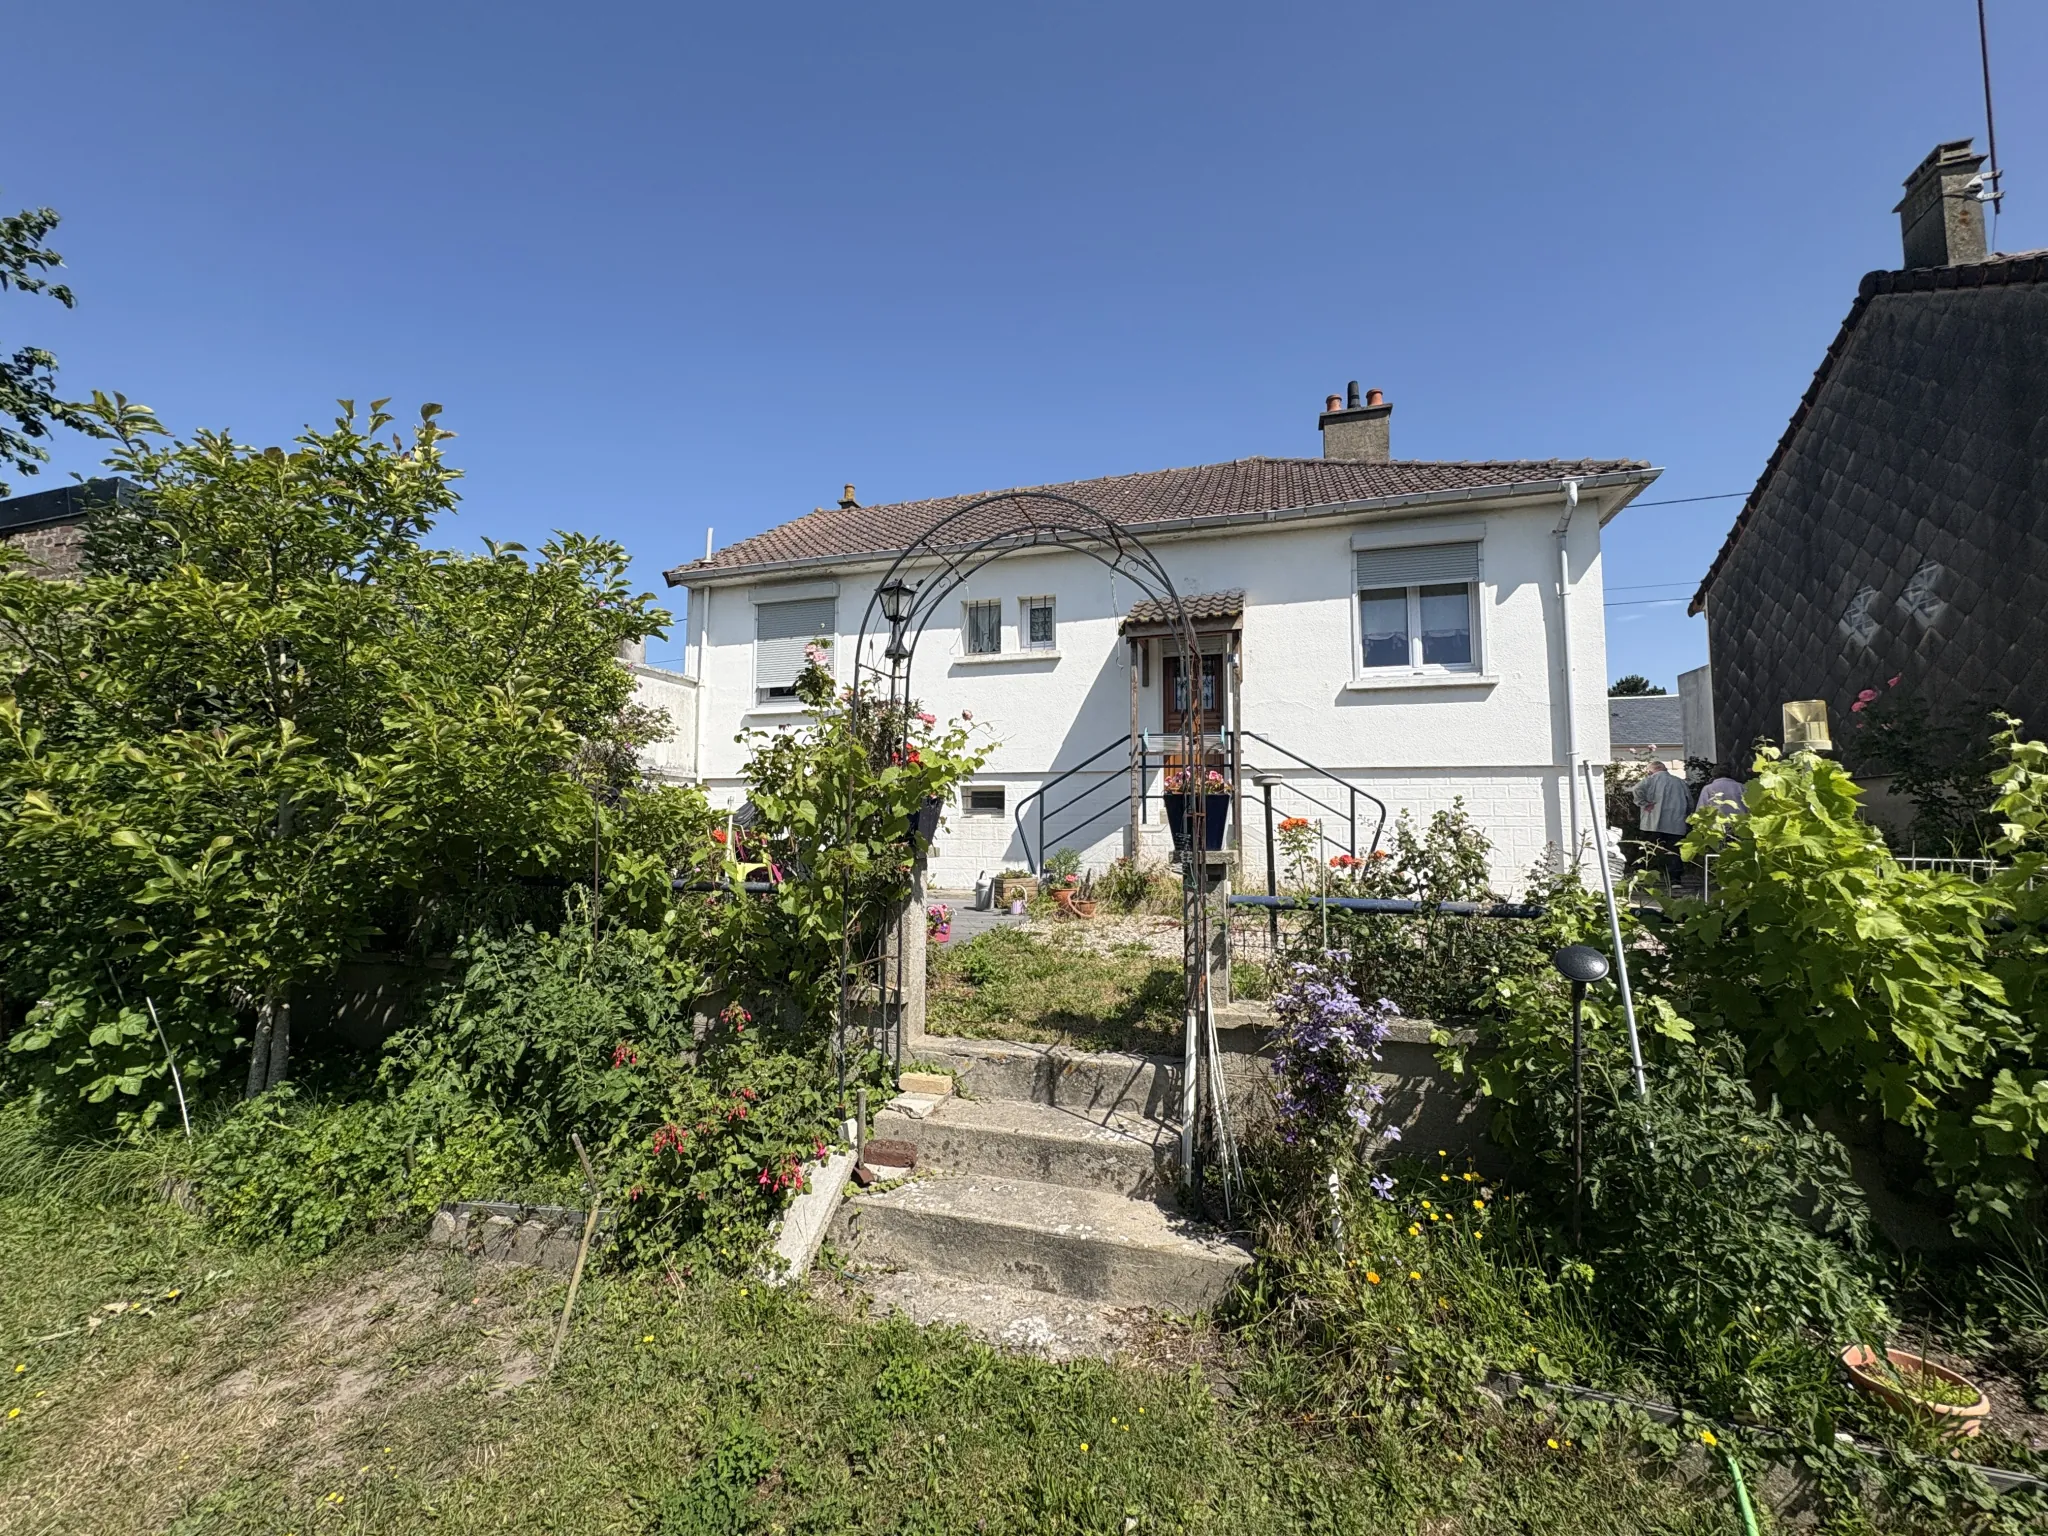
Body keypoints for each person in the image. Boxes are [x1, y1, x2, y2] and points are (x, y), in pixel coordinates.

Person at [1632, 759, 1693, 883]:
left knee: (1646, 849)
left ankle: (1640, 876)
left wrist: (1644, 803)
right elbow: (1689, 802)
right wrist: (1687, 816)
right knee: (1673, 851)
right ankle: (1675, 880)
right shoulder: (1680, 782)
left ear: (1651, 771)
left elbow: (1636, 789)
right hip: (1675, 823)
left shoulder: (1649, 780)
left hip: (1652, 823)